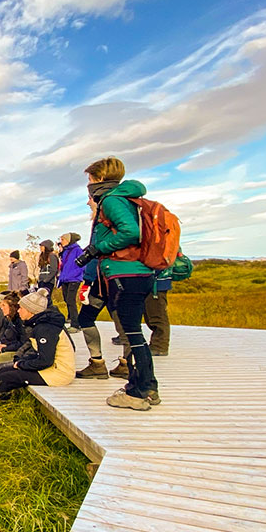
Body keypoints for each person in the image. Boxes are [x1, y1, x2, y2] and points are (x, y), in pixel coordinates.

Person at [74, 157, 159, 410]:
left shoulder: (111, 200)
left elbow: (130, 232)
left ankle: (138, 392)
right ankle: (147, 387)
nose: (88, 186)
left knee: (132, 334)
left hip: (126, 275)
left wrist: (97, 248)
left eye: (90, 180)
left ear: (99, 179)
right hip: (134, 274)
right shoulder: (126, 199)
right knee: (133, 334)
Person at [0, 289, 74, 397]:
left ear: (30, 310)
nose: (18, 310)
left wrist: (22, 364)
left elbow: (46, 360)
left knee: (8, 377)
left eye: (21, 308)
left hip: (58, 373)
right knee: (3, 369)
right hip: (52, 367)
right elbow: (38, 353)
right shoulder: (38, 324)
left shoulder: (45, 329)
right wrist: (22, 361)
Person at [57, 232, 84, 329]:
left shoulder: (77, 250)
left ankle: (76, 324)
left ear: (69, 240)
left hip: (74, 279)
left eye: (63, 240)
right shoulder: (66, 251)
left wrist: (75, 274)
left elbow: (83, 264)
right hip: (65, 279)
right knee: (66, 299)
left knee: (70, 300)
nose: (61, 242)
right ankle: (70, 317)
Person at [145, 265, 171, 356]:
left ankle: (160, 347)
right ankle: (157, 345)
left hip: (156, 284)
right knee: (151, 315)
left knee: (157, 316)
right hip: (156, 282)